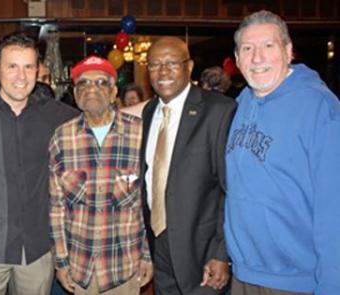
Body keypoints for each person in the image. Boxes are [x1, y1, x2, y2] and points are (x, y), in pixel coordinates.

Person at [225, 10, 340, 295]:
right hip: (243, 274)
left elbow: (334, 209)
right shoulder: (242, 103)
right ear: (237, 60)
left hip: (296, 281)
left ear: (288, 51)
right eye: (248, 49)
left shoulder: (320, 108)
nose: (257, 58)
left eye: (268, 46)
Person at [0, 32, 79, 295]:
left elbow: (101, 120)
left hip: (36, 248)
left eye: (28, 67)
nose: (21, 76)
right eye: (12, 66)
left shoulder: (56, 116)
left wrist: (153, 108)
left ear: (38, 71)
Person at [49, 56, 153, 295]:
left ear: (114, 91)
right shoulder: (61, 138)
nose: (91, 89)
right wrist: (61, 262)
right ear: (75, 93)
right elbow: (57, 208)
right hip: (80, 269)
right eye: (83, 83)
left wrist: (148, 256)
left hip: (125, 268)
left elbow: (148, 201)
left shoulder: (139, 134)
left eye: (100, 83)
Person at [140, 37, 236, 294]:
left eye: (172, 63)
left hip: (203, 253)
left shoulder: (218, 111)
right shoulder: (150, 112)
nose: (163, 72)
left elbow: (232, 190)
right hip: (159, 245)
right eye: (154, 65)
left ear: (189, 66)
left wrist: (221, 252)